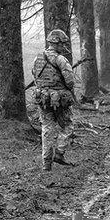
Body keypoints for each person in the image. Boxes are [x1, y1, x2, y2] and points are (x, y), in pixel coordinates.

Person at [32, 29, 77, 171]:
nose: (64, 46)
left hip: (43, 98)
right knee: (68, 125)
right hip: (60, 99)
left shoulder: (37, 58)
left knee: (46, 129)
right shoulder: (60, 59)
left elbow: (35, 76)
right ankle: (59, 153)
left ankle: (46, 163)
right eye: (62, 44)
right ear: (56, 44)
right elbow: (70, 81)